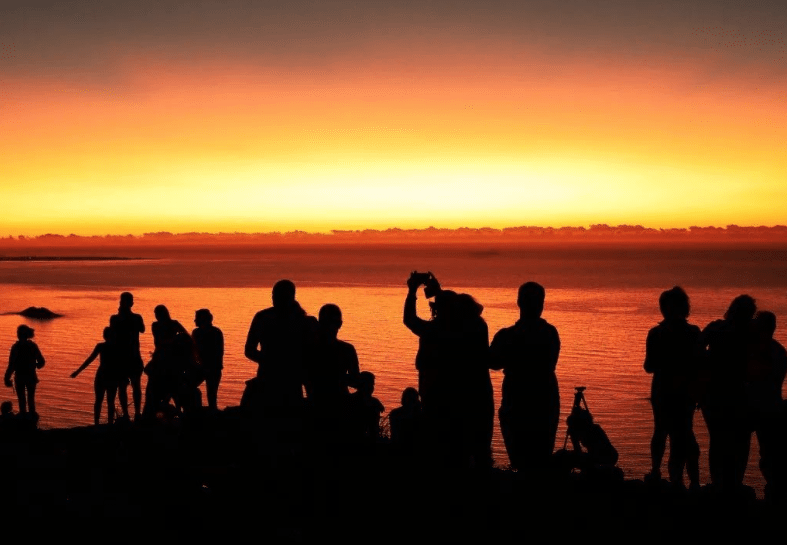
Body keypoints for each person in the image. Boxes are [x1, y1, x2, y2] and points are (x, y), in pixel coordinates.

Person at [403, 271, 493, 468]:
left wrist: (412, 291)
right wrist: (439, 292)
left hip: (440, 402)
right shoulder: (477, 327)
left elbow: (410, 319)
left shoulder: (436, 331)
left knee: (446, 454)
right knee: (477, 453)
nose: (434, 311)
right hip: (476, 400)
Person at [490, 282, 560, 473]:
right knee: (538, 459)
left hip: (520, 399)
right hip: (543, 398)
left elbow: (492, 361)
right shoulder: (550, 333)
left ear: (518, 302)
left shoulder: (507, 336)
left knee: (522, 459)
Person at [643, 286, 701, 489]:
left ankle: (665, 473)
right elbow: (697, 364)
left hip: (670, 390)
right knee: (680, 433)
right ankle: (678, 476)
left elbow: (649, 366)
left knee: (668, 432)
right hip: (675, 391)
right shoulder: (691, 333)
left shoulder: (657, 333)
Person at [698, 294, 756, 493]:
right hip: (739, 393)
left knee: (718, 439)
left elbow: (695, 350)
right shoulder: (751, 332)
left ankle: (719, 482)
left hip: (714, 393)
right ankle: (734, 482)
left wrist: (709, 362)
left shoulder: (716, 328)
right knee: (740, 441)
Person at [244, 280, 318, 415]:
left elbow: (312, 355)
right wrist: (271, 361)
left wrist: (271, 361)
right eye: (273, 295)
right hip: (273, 379)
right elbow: (249, 350)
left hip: (288, 380)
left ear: (291, 296)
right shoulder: (262, 317)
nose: (274, 299)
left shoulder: (304, 322)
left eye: (278, 295)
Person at [745, 310, 787, 501]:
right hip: (772, 407)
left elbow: (756, 377)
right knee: (771, 453)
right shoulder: (779, 351)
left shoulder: (762, 351)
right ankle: (774, 489)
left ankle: (774, 491)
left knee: (767, 454)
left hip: (762, 409)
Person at [304, 304, 360, 432]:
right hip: (336, 407)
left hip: (317, 405)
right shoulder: (347, 349)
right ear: (340, 324)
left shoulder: (308, 349)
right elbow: (355, 381)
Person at [144, 305, 190, 417]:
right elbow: (159, 341)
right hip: (162, 357)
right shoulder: (158, 325)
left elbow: (186, 336)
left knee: (173, 386)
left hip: (169, 359)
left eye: (157, 313)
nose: (155, 315)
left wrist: (175, 342)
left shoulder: (172, 324)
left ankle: (175, 410)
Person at [71, 326, 123, 425]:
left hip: (103, 375)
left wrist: (78, 371)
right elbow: (121, 364)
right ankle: (109, 423)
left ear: (104, 336)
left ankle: (97, 423)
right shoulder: (117, 347)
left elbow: (90, 359)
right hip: (112, 376)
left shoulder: (101, 346)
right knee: (109, 401)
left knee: (99, 401)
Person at [110, 292, 145, 420]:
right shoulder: (134, 318)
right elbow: (142, 329)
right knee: (132, 386)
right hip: (128, 356)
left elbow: (141, 329)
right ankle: (133, 413)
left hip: (124, 356)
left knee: (127, 386)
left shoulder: (116, 318)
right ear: (131, 303)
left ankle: (130, 414)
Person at [4, 324, 45, 417]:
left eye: (18, 333)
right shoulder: (33, 346)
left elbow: (11, 365)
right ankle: (31, 421)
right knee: (31, 399)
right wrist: (35, 365)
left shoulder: (15, 347)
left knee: (22, 400)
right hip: (31, 377)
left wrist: (6, 378)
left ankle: (24, 420)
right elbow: (42, 362)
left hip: (20, 377)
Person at [192, 309, 224, 411]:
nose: (194, 320)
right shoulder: (198, 332)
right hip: (205, 368)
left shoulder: (214, 332)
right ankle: (197, 410)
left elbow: (218, 352)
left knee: (211, 396)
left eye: (196, 318)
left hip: (210, 368)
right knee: (210, 396)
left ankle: (206, 414)